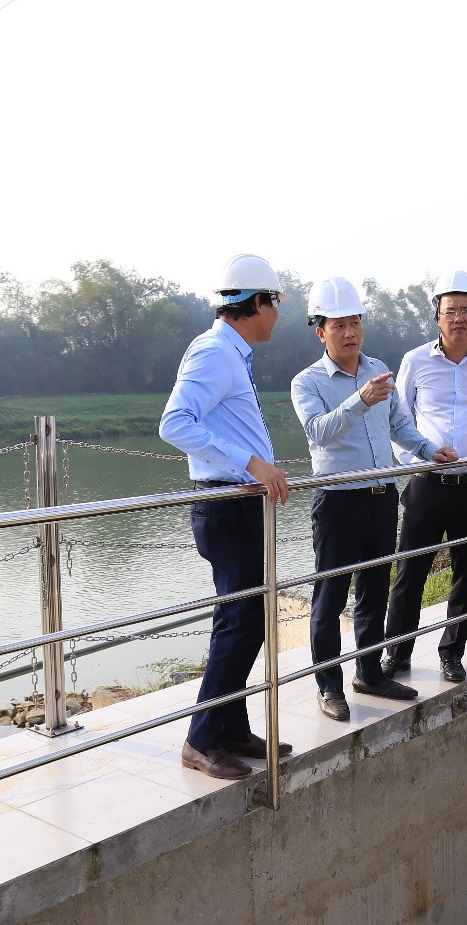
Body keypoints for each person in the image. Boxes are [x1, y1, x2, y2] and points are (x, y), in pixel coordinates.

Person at [290, 277, 455, 722]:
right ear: (321, 332)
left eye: (355, 323)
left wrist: (428, 450)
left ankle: (369, 673)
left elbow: (399, 424)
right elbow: (318, 431)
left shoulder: (378, 368)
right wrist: (359, 401)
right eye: (339, 325)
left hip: (382, 498)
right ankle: (329, 685)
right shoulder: (307, 382)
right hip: (338, 502)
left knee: (374, 591)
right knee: (330, 598)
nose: (350, 332)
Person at [158, 253, 294, 781]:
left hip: (240, 503)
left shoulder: (232, 354)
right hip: (226, 504)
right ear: (256, 302)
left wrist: (251, 467)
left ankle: (232, 726)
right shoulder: (215, 352)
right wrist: (251, 462)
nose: (278, 313)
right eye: (275, 303)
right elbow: (175, 422)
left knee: (245, 618)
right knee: (241, 620)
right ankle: (201, 738)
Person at [380, 270, 467, 684]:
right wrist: (414, 458)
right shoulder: (416, 360)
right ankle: (396, 653)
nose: (459, 318)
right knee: (410, 573)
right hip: (427, 484)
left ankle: (452, 653)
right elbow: (397, 415)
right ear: (437, 316)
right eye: (451, 310)